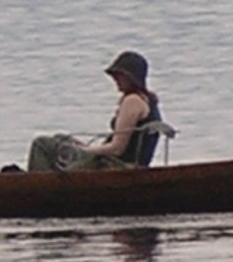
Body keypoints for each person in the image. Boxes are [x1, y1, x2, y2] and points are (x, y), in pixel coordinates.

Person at [26, 51, 163, 172]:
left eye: (119, 75)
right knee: (60, 138)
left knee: (41, 144)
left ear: (131, 77)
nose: (115, 79)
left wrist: (83, 151)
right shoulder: (147, 100)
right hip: (119, 162)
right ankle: (56, 180)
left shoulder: (132, 101)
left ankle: (39, 188)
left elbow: (117, 148)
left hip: (115, 166)